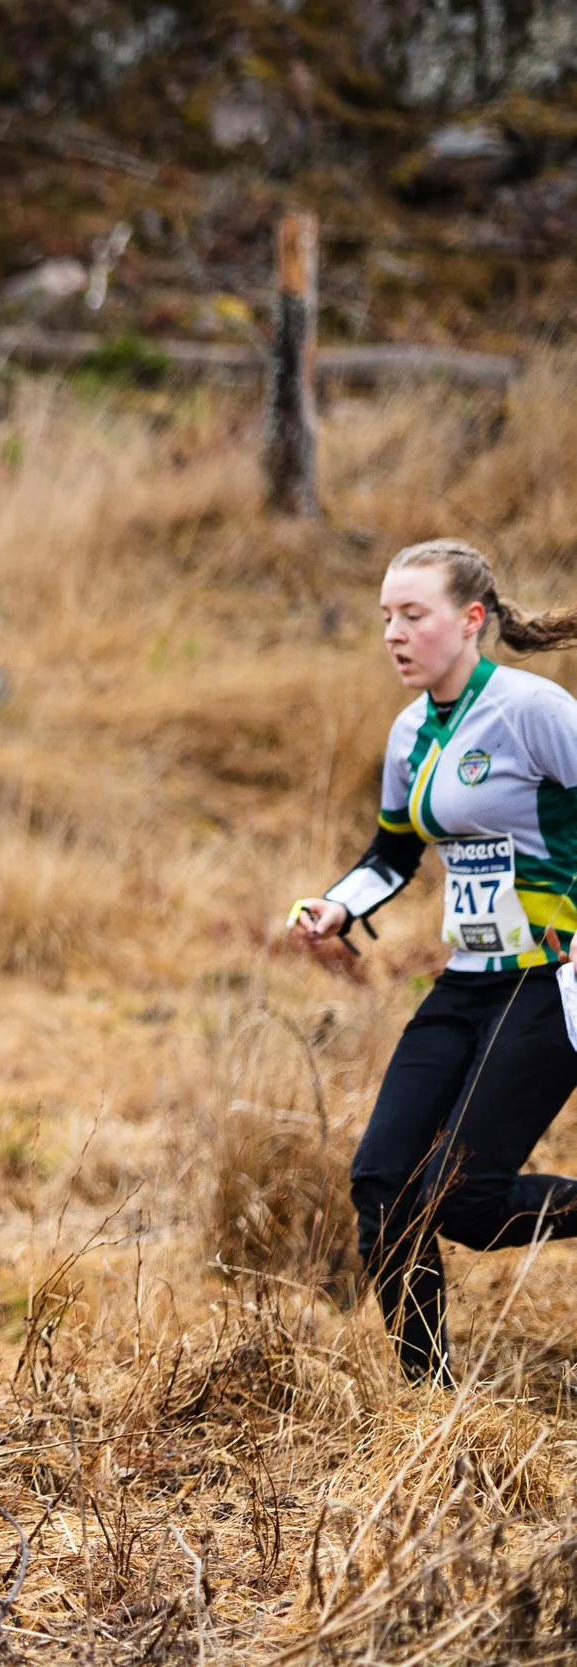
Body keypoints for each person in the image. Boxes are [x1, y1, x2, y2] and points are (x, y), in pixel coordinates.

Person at [290, 539, 577, 1386]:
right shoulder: (411, 730)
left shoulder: (534, 709)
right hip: (468, 978)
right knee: (382, 1187)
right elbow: (392, 852)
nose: (393, 632)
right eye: (386, 616)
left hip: (550, 977)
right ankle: (429, 1393)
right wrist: (339, 905)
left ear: (472, 621)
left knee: (468, 1202)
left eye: (413, 614)